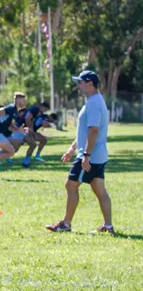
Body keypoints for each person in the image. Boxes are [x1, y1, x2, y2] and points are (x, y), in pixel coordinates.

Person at [46, 71, 112, 234]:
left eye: (80, 82)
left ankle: (66, 224)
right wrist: (72, 148)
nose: (78, 85)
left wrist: (86, 155)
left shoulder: (94, 103)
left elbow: (94, 131)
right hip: (96, 155)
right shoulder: (93, 101)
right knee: (99, 190)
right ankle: (108, 226)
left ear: (89, 84)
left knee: (71, 185)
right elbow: (85, 131)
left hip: (90, 156)